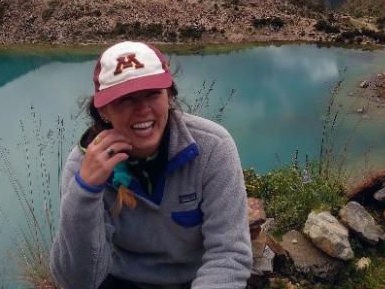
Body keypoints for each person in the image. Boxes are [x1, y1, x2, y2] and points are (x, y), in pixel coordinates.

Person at [50, 41, 252, 289]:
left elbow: (228, 255)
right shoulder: (83, 166)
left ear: (169, 96)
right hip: (123, 281)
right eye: (125, 99)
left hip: (199, 281)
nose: (142, 109)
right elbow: (80, 280)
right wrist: (85, 191)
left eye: (153, 93)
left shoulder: (212, 148)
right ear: (103, 110)